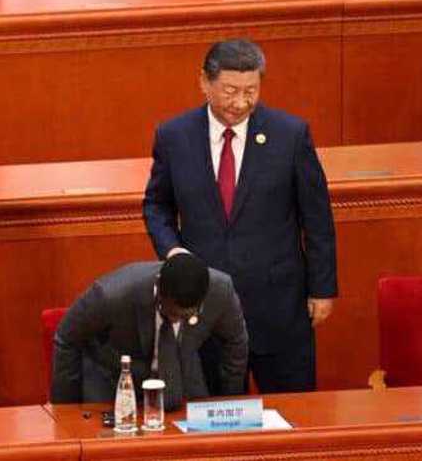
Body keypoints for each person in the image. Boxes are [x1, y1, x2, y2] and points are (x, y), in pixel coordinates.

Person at [143, 38, 337, 393]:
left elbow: (317, 216)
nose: (241, 102)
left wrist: (322, 289)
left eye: (251, 91)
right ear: (204, 81)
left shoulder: (290, 135)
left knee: (293, 422)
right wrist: (173, 252)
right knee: (212, 426)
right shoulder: (174, 136)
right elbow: (156, 205)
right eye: (230, 90)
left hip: (279, 308)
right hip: (205, 309)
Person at [50, 254, 248, 411]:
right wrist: (66, 411)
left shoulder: (220, 291)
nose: (177, 320)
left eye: (187, 316)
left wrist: (229, 403)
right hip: (115, 381)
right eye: (171, 313)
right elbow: (67, 337)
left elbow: (236, 343)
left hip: (181, 376)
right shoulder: (112, 294)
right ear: (159, 286)